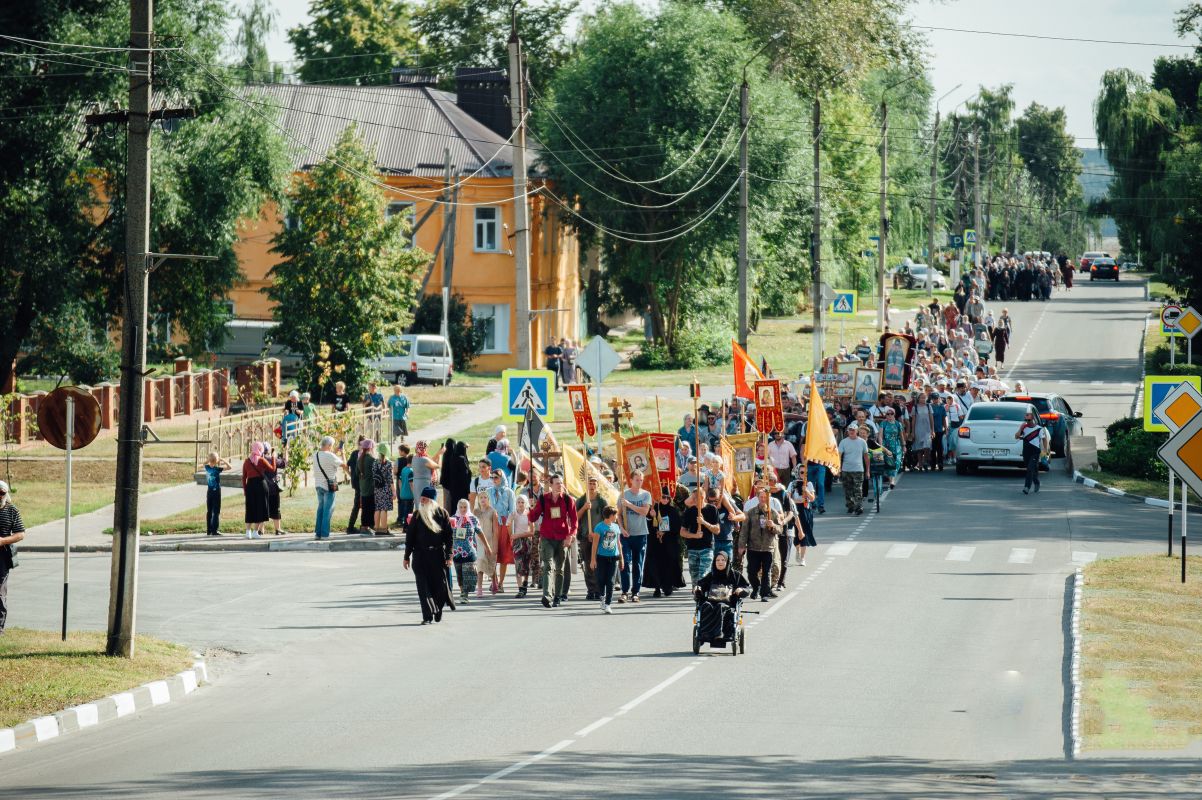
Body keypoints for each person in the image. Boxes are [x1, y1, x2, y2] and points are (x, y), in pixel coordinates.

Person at [404, 487, 456, 624]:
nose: (422, 501)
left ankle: (438, 608)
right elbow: (410, 538)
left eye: (425, 499)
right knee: (423, 587)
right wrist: (406, 556)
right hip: (420, 556)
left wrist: (449, 556)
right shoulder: (417, 515)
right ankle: (427, 617)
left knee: (439, 587)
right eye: (421, 499)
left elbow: (449, 538)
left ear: (432, 501)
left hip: (437, 556)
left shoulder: (442, 514)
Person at [527, 473, 578, 608]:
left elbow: (574, 522)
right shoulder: (544, 499)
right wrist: (531, 508)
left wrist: (571, 536)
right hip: (547, 537)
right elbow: (533, 518)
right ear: (550, 485)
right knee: (548, 566)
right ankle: (546, 595)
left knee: (560, 569)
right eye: (556, 483)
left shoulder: (568, 500)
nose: (559, 485)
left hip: (562, 538)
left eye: (561, 483)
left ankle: (557, 596)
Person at [738, 487, 781, 601]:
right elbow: (744, 530)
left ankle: (764, 594)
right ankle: (756, 587)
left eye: (765, 497)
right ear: (757, 498)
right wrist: (741, 545)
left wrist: (773, 526)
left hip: (768, 547)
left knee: (766, 572)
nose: (763, 499)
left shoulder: (773, 513)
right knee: (752, 571)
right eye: (761, 497)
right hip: (753, 547)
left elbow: (780, 529)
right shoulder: (751, 512)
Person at [617, 470, 653, 604]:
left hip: (640, 533)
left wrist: (629, 505)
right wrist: (621, 528)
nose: (639, 482)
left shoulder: (645, 495)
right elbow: (618, 514)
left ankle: (635, 592)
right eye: (636, 479)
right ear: (631, 480)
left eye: (641, 480)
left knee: (638, 564)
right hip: (626, 534)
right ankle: (624, 591)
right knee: (625, 562)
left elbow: (644, 511)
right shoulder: (623, 494)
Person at [575, 475, 607, 601]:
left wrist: (597, 534)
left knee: (599, 564)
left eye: (594, 483)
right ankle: (591, 590)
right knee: (588, 564)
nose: (592, 486)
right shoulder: (581, 501)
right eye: (590, 483)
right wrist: (584, 508)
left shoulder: (602, 501)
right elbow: (575, 518)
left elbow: (607, 519)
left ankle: (599, 590)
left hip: (599, 537)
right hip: (585, 536)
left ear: (597, 486)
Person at [0, 480, 25, 635]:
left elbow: (20, 534)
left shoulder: (12, 510)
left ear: (6, 493)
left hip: (2, 554)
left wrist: (3, 540)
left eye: (1, 493)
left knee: (0, 591)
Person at [589, 505, 625, 614]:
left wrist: (621, 558)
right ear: (610, 515)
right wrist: (593, 560)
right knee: (601, 580)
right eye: (615, 515)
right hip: (601, 557)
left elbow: (619, 543)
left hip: (614, 558)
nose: (616, 516)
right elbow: (595, 545)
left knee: (611, 581)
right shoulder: (599, 527)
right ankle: (602, 597)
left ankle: (608, 604)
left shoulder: (616, 527)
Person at [486, 470, 517, 593]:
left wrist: (510, 528)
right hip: (491, 523)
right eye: (492, 477)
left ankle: (501, 583)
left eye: (496, 477)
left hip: (504, 524)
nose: (494, 480)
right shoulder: (489, 491)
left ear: (502, 477)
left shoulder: (509, 492)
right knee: (492, 553)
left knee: (503, 553)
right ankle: (494, 581)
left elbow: (512, 511)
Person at [682, 488, 719, 586]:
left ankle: (703, 594)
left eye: (695, 498)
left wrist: (704, 522)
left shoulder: (712, 509)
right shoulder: (689, 511)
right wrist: (694, 535)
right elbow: (682, 532)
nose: (693, 500)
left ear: (702, 497)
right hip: (692, 548)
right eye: (692, 498)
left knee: (703, 575)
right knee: (694, 576)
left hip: (707, 547)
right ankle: (697, 594)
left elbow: (717, 530)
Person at [450, 499, 481, 603]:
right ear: (458, 508)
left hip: (469, 552)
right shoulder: (453, 519)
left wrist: (488, 547)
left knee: (468, 573)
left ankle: (465, 594)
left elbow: (480, 532)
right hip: (456, 552)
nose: (463, 509)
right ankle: (462, 591)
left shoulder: (473, 519)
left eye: (465, 507)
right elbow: (447, 535)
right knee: (460, 575)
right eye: (461, 507)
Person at [313, 436, 344, 540]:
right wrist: (342, 453)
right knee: (328, 509)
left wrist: (333, 453)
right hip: (329, 485)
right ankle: (325, 534)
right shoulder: (330, 456)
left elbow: (326, 459)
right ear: (329, 445)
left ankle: (318, 533)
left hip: (318, 485)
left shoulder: (315, 455)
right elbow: (343, 464)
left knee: (320, 509)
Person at [1016, 409, 1050, 494]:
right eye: (1026, 420)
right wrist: (1021, 427)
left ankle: (1027, 487)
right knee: (1030, 469)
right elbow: (1016, 436)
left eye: (1029, 420)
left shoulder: (1039, 429)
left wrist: (1045, 451)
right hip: (1026, 451)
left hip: (1035, 451)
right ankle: (1037, 482)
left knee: (1030, 469)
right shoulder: (1024, 428)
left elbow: (1044, 439)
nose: (1027, 422)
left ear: (1033, 419)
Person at [838, 425, 870, 515]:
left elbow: (866, 457)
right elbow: (839, 456)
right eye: (850, 430)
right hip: (846, 469)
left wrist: (867, 471)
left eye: (853, 430)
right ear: (847, 431)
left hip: (858, 469)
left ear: (857, 431)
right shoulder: (843, 442)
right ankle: (850, 505)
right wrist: (838, 468)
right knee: (847, 489)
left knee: (858, 489)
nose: (851, 432)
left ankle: (859, 506)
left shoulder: (862, 442)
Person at [241, 442, 270, 539]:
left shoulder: (246, 462)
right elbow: (272, 469)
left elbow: (244, 477)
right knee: (260, 508)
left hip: (250, 486)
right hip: (261, 485)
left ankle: (248, 532)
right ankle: (255, 531)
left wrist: (245, 490)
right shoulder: (261, 460)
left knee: (250, 509)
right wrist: (273, 458)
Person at [474, 491, 500, 596]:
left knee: (491, 563)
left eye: (485, 497)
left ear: (488, 499)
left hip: (490, 540)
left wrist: (495, 546)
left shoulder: (493, 512)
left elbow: (496, 531)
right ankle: (479, 589)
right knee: (480, 563)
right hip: (479, 542)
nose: (483, 499)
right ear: (478, 500)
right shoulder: (475, 512)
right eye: (481, 497)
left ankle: (494, 582)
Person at [510, 494, 535, 598]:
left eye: (522, 502)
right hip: (517, 543)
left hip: (527, 542)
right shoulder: (513, 514)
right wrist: (512, 536)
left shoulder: (529, 514)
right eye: (518, 502)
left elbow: (532, 532)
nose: (520, 504)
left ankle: (525, 583)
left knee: (526, 564)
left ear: (526, 504)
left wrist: (519, 535)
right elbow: (508, 525)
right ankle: (520, 588)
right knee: (518, 564)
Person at [790, 472, 817, 566]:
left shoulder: (809, 483)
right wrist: (797, 501)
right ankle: (797, 549)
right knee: (796, 534)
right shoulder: (792, 483)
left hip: (805, 511)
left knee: (804, 533)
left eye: (805, 472)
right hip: (794, 509)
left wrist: (807, 491)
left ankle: (803, 558)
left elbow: (812, 498)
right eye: (801, 472)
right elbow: (788, 497)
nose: (803, 474)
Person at [203, 451, 231, 536]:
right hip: (216, 492)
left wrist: (208, 459)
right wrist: (223, 460)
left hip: (209, 491)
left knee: (209, 511)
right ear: (217, 460)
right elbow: (230, 467)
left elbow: (204, 463)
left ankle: (209, 530)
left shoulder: (207, 467)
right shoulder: (217, 469)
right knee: (216, 511)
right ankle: (214, 530)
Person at [261, 444, 285, 536]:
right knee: (275, 509)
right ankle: (277, 529)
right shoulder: (272, 459)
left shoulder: (257, 460)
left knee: (262, 509)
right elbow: (284, 463)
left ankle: (260, 530)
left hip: (262, 488)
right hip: (273, 488)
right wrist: (285, 450)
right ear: (269, 450)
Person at [879, 409, 904, 491]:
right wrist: (881, 446)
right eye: (888, 414)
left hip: (896, 445)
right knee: (890, 463)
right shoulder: (883, 423)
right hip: (887, 446)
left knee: (897, 462)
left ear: (894, 414)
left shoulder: (898, 424)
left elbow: (901, 436)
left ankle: (891, 478)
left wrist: (904, 445)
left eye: (891, 414)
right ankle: (892, 481)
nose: (889, 416)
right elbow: (880, 436)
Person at [373, 442, 395, 534]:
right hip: (385, 488)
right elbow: (390, 479)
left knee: (377, 508)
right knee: (384, 509)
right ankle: (384, 529)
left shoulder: (375, 462)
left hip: (377, 488)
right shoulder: (388, 463)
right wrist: (394, 491)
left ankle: (377, 529)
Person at [356, 439, 377, 535]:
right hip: (371, 487)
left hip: (363, 487)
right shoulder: (372, 460)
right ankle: (369, 526)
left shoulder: (360, 459)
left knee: (364, 508)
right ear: (371, 448)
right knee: (371, 508)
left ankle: (364, 527)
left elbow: (356, 473)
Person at [410, 440, 439, 504]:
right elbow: (437, 466)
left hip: (416, 483)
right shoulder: (424, 459)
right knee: (426, 504)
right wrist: (440, 455)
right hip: (425, 483)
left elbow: (430, 461)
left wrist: (438, 453)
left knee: (418, 503)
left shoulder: (414, 458)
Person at [395, 445, 413, 528]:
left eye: (399, 450)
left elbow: (395, 472)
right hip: (409, 485)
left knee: (400, 501)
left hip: (401, 482)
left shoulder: (398, 461)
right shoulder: (409, 462)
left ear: (402, 451)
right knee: (409, 505)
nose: (399, 452)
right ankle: (407, 522)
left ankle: (400, 518)